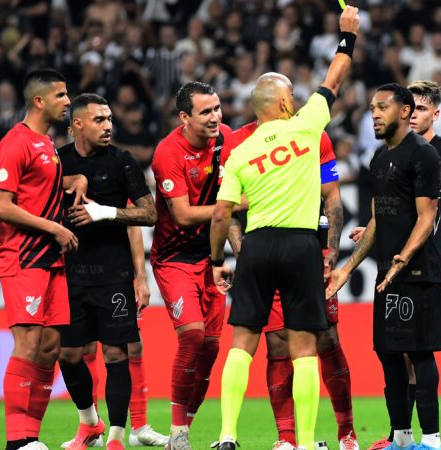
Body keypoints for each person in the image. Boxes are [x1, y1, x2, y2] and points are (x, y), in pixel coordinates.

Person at [209, 6, 360, 450]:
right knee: (304, 349)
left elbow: (222, 214)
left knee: (242, 343)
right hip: (299, 245)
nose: (295, 100)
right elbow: (334, 78)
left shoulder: (238, 151)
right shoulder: (308, 127)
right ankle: (309, 441)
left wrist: (219, 261)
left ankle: (227, 434)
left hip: (255, 246)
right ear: (282, 104)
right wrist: (347, 36)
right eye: (290, 95)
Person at [358, 80, 441, 450]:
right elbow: (390, 213)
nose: (413, 116)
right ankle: (403, 435)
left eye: (421, 110)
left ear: (436, 114)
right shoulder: (392, 154)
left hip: (439, 267)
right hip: (406, 270)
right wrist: (368, 232)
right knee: (406, 352)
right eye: (409, 109)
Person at [326, 82, 441, 450]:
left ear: (406, 112)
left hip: (418, 272)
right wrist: (348, 267)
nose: (374, 114)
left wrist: (403, 259)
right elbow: (378, 220)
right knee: (389, 352)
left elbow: (428, 217)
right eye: (372, 108)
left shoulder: (423, 155)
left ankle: (433, 439)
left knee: (420, 351)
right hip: (387, 276)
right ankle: (402, 437)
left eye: (382, 107)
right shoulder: (379, 159)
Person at [55, 93, 158, 450]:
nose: (108, 126)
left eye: (110, 119)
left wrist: (106, 212)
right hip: (69, 276)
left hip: (113, 275)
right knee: (68, 355)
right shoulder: (56, 162)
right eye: (99, 119)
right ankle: (89, 423)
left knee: (117, 355)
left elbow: (150, 213)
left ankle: (116, 436)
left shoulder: (122, 162)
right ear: (77, 124)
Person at [0, 68, 85, 450]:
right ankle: (17, 441)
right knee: (28, 344)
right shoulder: (16, 142)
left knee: (49, 345)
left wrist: (73, 181)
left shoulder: (47, 144)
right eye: (62, 95)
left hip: (51, 261)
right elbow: (0, 205)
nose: (68, 101)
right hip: (23, 257)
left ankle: (31, 436)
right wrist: (53, 228)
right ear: (39, 101)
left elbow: (40, 186)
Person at [150, 81, 232, 450]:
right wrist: (234, 206)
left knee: (212, 348)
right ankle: (177, 430)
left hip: (211, 256)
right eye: (206, 111)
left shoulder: (226, 140)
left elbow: (228, 208)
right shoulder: (168, 152)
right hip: (174, 258)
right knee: (192, 336)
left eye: (217, 108)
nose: (216, 117)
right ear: (184, 117)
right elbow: (182, 215)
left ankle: (185, 431)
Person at [61, 227, 168, 449]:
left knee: (131, 346)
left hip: (114, 274)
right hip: (78, 274)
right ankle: (93, 428)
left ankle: (139, 427)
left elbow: (132, 225)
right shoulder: (67, 192)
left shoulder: (118, 195)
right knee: (85, 347)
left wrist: (141, 277)